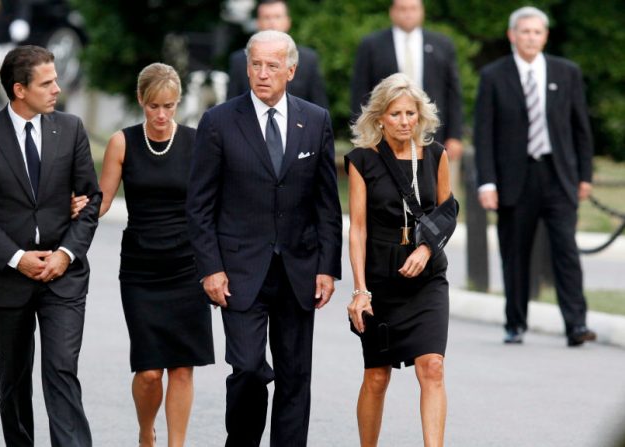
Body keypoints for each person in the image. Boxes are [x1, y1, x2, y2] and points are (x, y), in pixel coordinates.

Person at [187, 30, 342, 446]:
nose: (262, 73)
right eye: (255, 64)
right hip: (238, 271)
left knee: (295, 375)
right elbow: (199, 205)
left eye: (272, 65)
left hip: (298, 269)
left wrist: (328, 268)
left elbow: (327, 203)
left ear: (291, 70)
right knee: (249, 368)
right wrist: (211, 269)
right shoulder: (219, 121)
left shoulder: (315, 120)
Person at [0, 45, 101, 446]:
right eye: (47, 82)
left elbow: (91, 201)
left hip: (63, 276)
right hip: (9, 277)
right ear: (20, 89)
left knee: (61, 371)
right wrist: (18, 259)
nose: (57, 88)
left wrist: (64, 254)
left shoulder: (70, 129)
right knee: (15, 378)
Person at [90, 62, 215, 447]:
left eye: (170, 106)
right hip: (142, 270)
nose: (162, 115)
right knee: (148, 372)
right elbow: (102, 201)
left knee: (181, 367)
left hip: (187, 267)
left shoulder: (197, 143)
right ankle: (147, 432)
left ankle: (176, 444)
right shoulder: (122, 143)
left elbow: (212, 206)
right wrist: (68, 207)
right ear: (141, 101)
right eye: (154, 106)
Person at [474, 6, 596, 347]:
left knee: (566, 251)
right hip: (515, 177)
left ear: (545, 36)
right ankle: (515, 322)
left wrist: (584, 175)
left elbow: (579, 128)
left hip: (558, 175)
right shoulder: (494, 76)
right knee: (515, 253)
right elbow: (484, 134)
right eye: (524, 32)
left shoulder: (566, 72)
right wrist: (487, 182)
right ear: (513, 35)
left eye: (537, 32)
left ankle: (576, 323)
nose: (531, 37)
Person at [345, 73, 454, 446]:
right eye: (395, 114)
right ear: (380, 118)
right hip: (382, 280)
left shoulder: (437, 155)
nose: (405, 121)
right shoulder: (362, 161)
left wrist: (426, 250)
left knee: (433, 367)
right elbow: (357, 229)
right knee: (377, 376)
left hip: (427, 279)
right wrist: (360, 290)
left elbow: (447, 211)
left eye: (411, 113)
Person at [349, 0, 462, 161]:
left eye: (413, 8)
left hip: (434, 133)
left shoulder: (442, 44)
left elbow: (453, 93)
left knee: (436, 184)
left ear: (422, 11)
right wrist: (363, 133)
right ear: (392, 12)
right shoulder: (371, 46)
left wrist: (455, 135)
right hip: (385, 136)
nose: (408, 13)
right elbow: (360, 91)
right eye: (402, 9)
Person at [226, 0, 329, 109]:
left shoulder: (308, 59)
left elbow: (319, 105)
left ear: (287, 21)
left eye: (277, 17)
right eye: (266, 17)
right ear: (258, 22)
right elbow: (232, 106)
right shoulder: (240, 60)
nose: (272, 22)